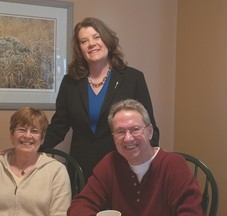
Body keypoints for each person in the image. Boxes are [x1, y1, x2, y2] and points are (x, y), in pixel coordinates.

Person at [39, 17, 160, 182]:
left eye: (96, 37)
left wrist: (148, 164)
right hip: (81, 171)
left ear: (107, 41)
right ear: (80, 49)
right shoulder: (70, 82)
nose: (91, 44)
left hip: (124, 167)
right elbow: (58, 127)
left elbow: (149, 127)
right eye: (84, 41)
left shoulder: (133, 78)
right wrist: (26, 148)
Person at [67, 99, 203, 216]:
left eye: (135, 129)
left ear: (150, 132)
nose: (128, 138)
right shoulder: (110, 163)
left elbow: (191, 212)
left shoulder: (173, 165)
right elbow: (80, 205)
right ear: (113, 137)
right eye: (120, 131)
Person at [0, 107, 71, 216]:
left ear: (42, 138)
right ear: (11, 135)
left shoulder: (57, 172)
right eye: (22, 129)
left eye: (34, 131)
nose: (27, 136)